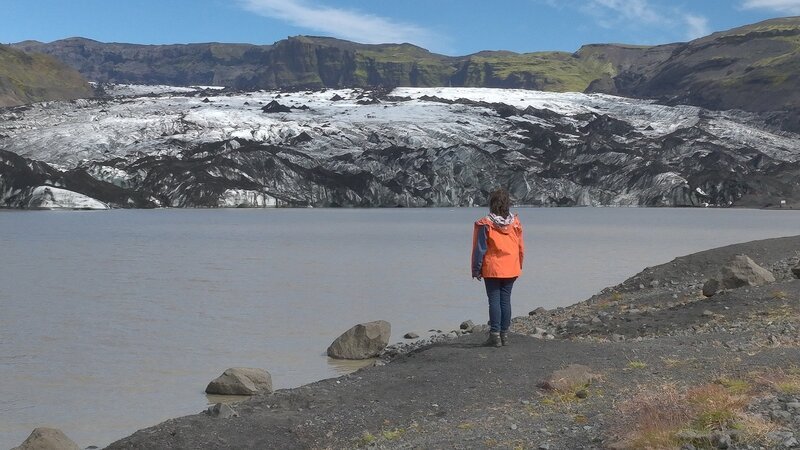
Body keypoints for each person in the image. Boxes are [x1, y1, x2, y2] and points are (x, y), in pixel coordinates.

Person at [471, 188, 524, 347]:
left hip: (493, 268)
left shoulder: (485, 223)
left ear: (491, 204)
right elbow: (521, 247)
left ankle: (495, 335)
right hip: (511, 267)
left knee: (494, 300)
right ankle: (504, 334)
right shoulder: (515, 222)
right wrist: (519, 264)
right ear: (507, 203)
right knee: (505, 300)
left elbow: (480, 249)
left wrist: (476, 269)